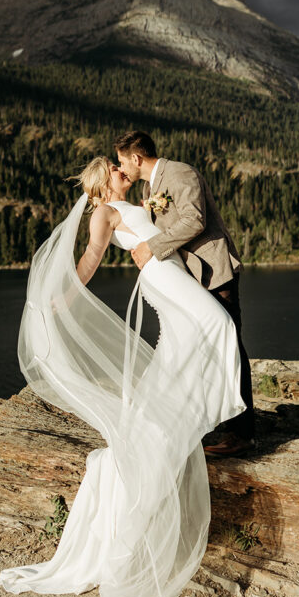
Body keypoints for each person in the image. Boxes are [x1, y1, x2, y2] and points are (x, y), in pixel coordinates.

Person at [0, 156, 245, 597]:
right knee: (215, 324)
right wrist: (63, 297)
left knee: (188, 339)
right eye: (113, 168)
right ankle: (218, 402)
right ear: (102, 181)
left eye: (119, 165)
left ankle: (200, 404)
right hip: (160, 278)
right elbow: (90, 257)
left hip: (169, 270)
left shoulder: (134, 202)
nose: (120, 170)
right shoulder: (102, 214)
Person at [114, 130, 255, 456]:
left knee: (230, 344)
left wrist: (153, 246)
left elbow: (195, 220)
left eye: (123, 162)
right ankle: (219, 420)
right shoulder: (150, 186)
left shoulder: (180, 173)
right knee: (203, 348)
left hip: (213, 272)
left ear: (136, 158)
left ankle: (243, 434)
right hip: (189, 279)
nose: (121, 168)